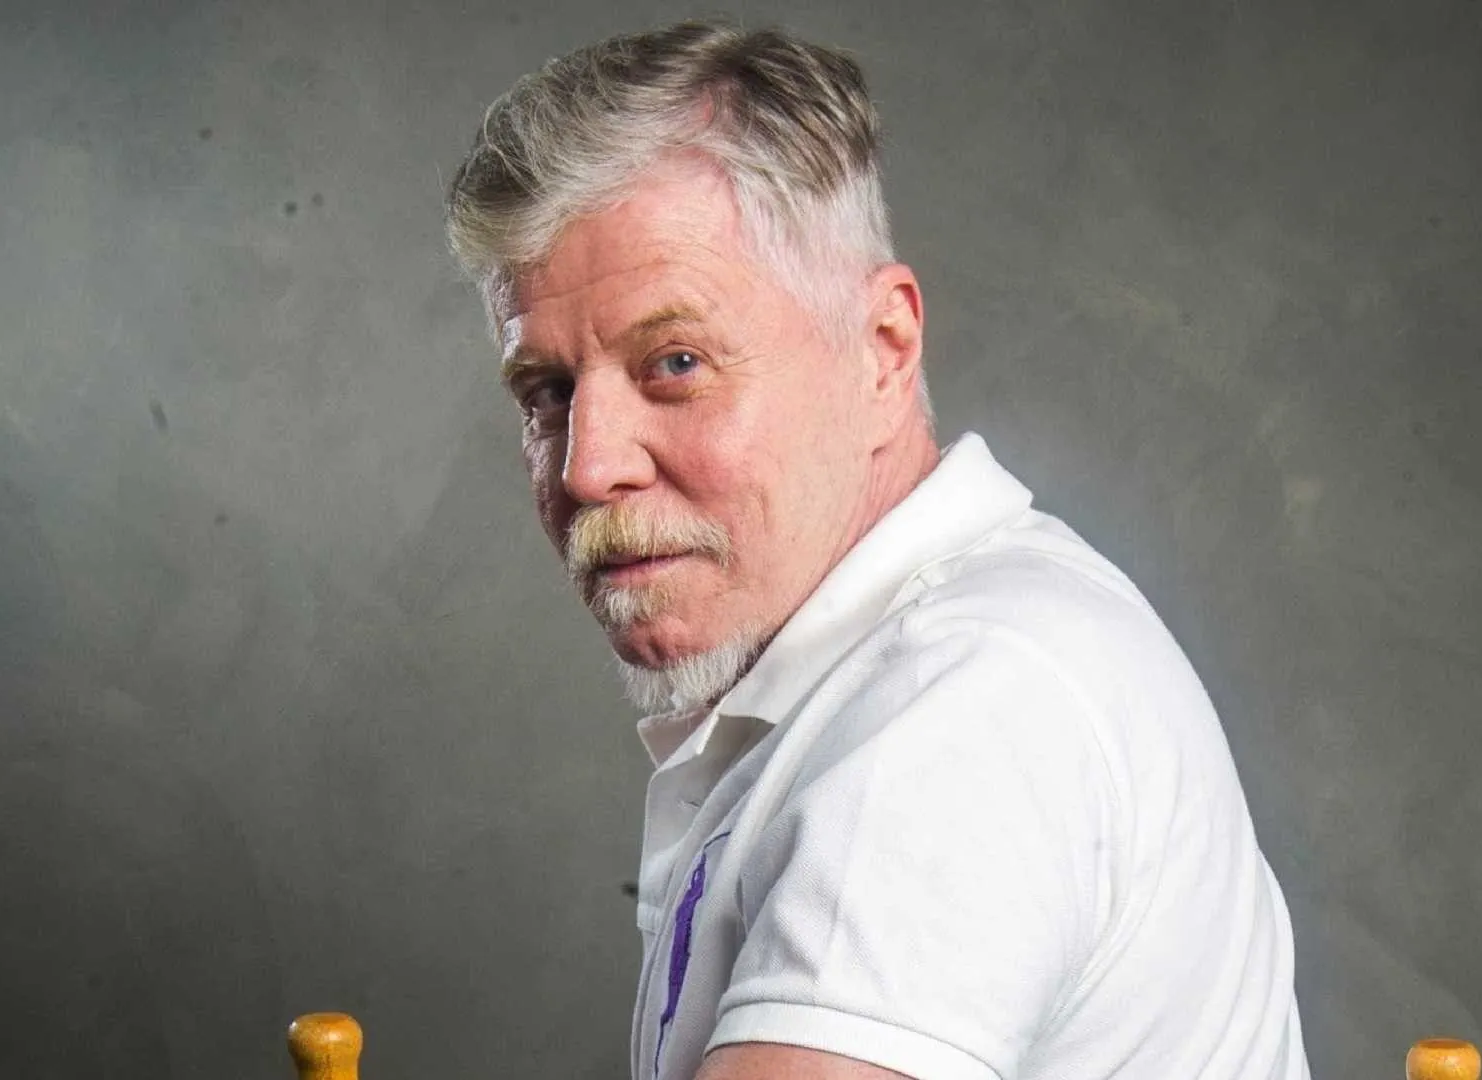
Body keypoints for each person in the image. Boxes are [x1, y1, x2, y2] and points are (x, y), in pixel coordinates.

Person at [445, 20, 1309, 1080]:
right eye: (547, 391)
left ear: (882, 353)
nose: (587, 468)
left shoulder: (965, 703)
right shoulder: (887, 671)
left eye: (675, 363)